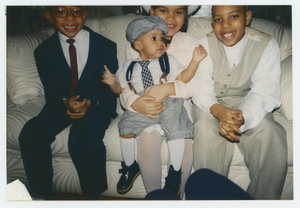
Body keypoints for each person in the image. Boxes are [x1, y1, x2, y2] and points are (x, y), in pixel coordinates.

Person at [18, 6, 118, 200]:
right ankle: (42, 195)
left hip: (96, 103)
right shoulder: (43, 51)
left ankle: (93, 196)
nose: (70, 18)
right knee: (31, 134)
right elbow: (51, 90)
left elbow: (111, 88)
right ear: (49, 16)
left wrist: (90, 102)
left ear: (85, 15)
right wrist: (65, 102)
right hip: (62, 105)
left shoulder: (105, 45)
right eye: (61, 11)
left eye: (76, 11)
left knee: (83, 137)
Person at [102, 15, 207, 195]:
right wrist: (112, 83)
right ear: (138, 45)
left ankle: (175, 171)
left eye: (162, 39)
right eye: (154, 38)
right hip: (141, 103)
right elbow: (121, 89)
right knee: (125, 126)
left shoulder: (170, 60)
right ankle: (129, 165)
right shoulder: (127, 65)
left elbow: (183, 78)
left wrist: (194, 62)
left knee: (177, 128)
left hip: (168, 100)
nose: (161, 43)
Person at [192, 5, 287, 199]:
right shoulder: (205, 44)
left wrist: (243, 117)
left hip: (249, 100)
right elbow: (201, 88)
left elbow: (264, 90)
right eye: (218, 19)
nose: (226, 25)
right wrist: (219, 111)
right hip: (212, 101)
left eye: (234, 16)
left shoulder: (266, 44)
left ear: (247, 17)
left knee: (270, 132)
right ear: (212, 22)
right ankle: (211, 197)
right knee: (203, 127)